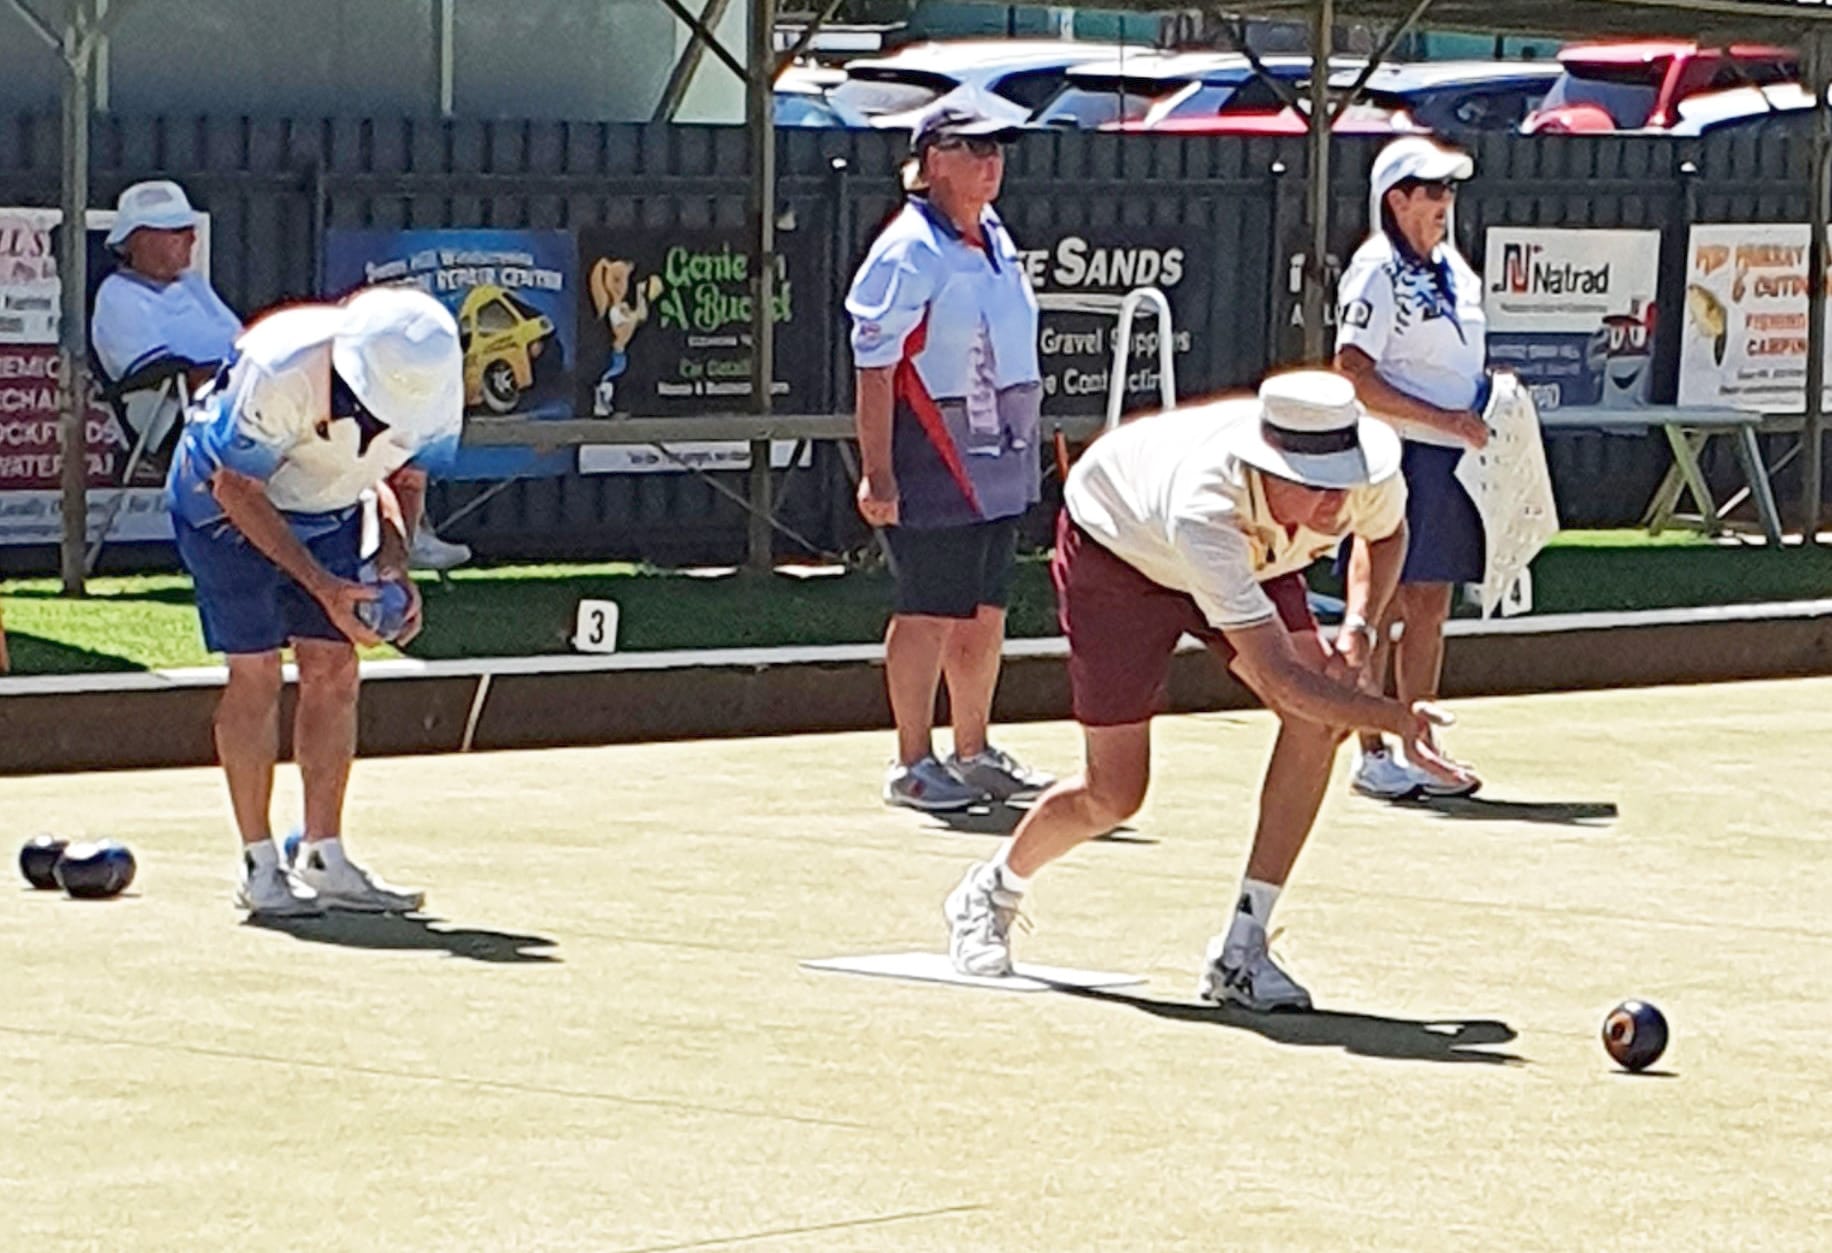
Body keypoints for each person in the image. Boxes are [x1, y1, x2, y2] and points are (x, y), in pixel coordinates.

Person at [943, 370, 1473, 1010]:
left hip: (1256, 563)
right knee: (1115, 792)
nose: (1337, 505)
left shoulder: (1362, 479)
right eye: (1316, 486)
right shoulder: (1205, 508)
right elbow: (1284, 679)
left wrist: (1358, 631)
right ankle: (990, 891)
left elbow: (1385, 535)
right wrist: (1394, 719)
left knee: (1316, 724)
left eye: (1345, 479)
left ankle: (1242, 952)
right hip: (1117, 551)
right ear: (1268, 469)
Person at [167, 286, 463, 916]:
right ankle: (260, 865)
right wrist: (324, 587)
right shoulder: (281, 366)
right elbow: (236, 487)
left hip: (326, 510)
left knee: (335, 668)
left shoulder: (434, 381)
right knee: (258, 670)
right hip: (220, 509)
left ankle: (324, 855)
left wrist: (393, 561)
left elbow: (404, 478)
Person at [845, 93, 1052, 812]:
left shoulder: (994, 233)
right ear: (933, 163)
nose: (991, 161)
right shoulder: (908, 249)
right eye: (973, 148)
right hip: (933, 457)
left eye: (998, 148)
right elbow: (873, 367)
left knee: (985, 610)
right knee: (927, 610)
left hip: (1002, 458)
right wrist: (878, 472)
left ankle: (973, 750)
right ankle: (911, 763)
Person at [1334, 136, 1491, 802]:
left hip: (1448, 458)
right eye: (1431, 191)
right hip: (1392, 456)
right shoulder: (1373, 269)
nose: (1444, 203)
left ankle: (1419, 744)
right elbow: (1352, 373)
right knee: (1380, 602)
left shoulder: (1453, 265)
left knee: (1430, 602)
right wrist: (1444, 418)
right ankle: (1370, 752)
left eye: (1450, 190)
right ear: (1396, 200)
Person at [92, 180, 243, 473]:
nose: (191, 238)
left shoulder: (194, 285)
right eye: (178, 231)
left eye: (190, 229)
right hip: (173, 412)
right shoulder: (117, 295)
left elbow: (241, 339)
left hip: (241, 395)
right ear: (139, 239)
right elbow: (157, 371)